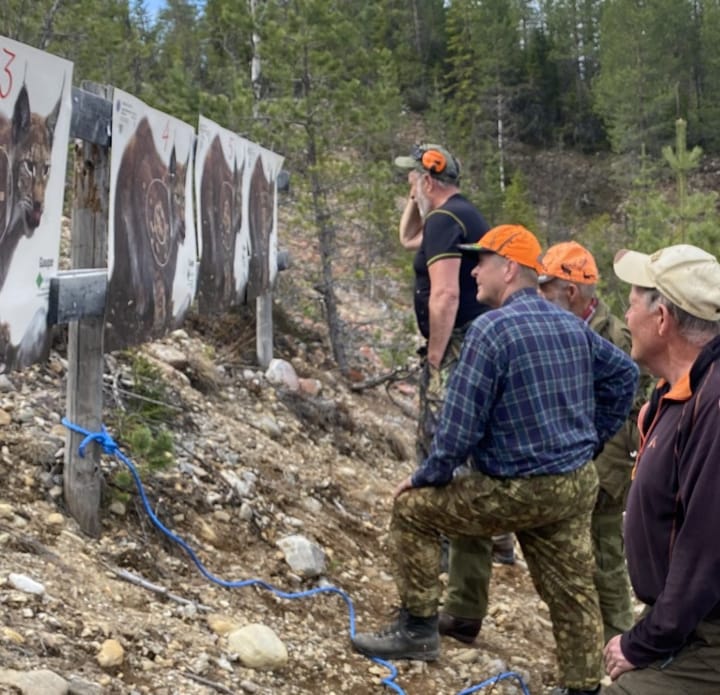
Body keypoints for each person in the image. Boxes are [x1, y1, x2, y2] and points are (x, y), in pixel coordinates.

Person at [351, 224, 639, 695]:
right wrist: (592, 439)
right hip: (571, 485)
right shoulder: (569, 323)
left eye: (480, 261)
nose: (472, 270)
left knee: (413, 512)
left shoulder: (490, 329)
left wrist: (427, 477)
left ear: (508, 268)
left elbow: (458, 429)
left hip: (514, 489)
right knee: (572, 591)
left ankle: (418, 629)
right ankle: (584, 686)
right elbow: (625, 375)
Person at [440, 240, 646, 646]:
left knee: (602, 549)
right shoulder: (549, 324)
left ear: (570, 291)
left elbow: (628, 398)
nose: (537, 295)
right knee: (477, 516)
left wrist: (592, 441)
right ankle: (463, 613)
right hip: (551, 452)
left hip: (605, 456)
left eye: (546, 287)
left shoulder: (616, 336)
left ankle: (618, 641)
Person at [603, 244, 720, 694]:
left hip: (707, 632)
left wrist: (644, 643)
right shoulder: (682, 391)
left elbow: (708, 549)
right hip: (688, 621)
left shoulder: (713, 403)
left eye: (632, 304)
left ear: (663, 318)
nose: (626, 317)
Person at [395, 145, 513, 575]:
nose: (409, 186)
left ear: (429, 181)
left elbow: (445, 294)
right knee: (472, 437)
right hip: (474, 338)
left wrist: (435, 355)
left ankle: (447, 539)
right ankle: (496, 537)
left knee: (439, 437)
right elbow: (408, 239)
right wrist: (415, 199)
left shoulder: (446, 220)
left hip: (458, 341)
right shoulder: (453, 216)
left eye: (413, 179)